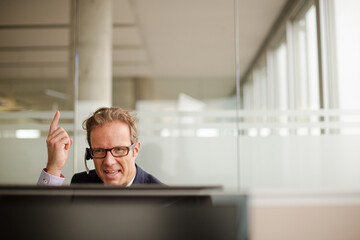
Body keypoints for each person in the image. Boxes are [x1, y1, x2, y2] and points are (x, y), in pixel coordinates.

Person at [38, 107, 162, 186]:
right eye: (99, 150)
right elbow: (43, 224)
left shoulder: (163, 199)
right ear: (90, 154)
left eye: (119, 149)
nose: (109, 161)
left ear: (135, 150)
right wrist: (54, 167)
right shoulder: (81, 184)